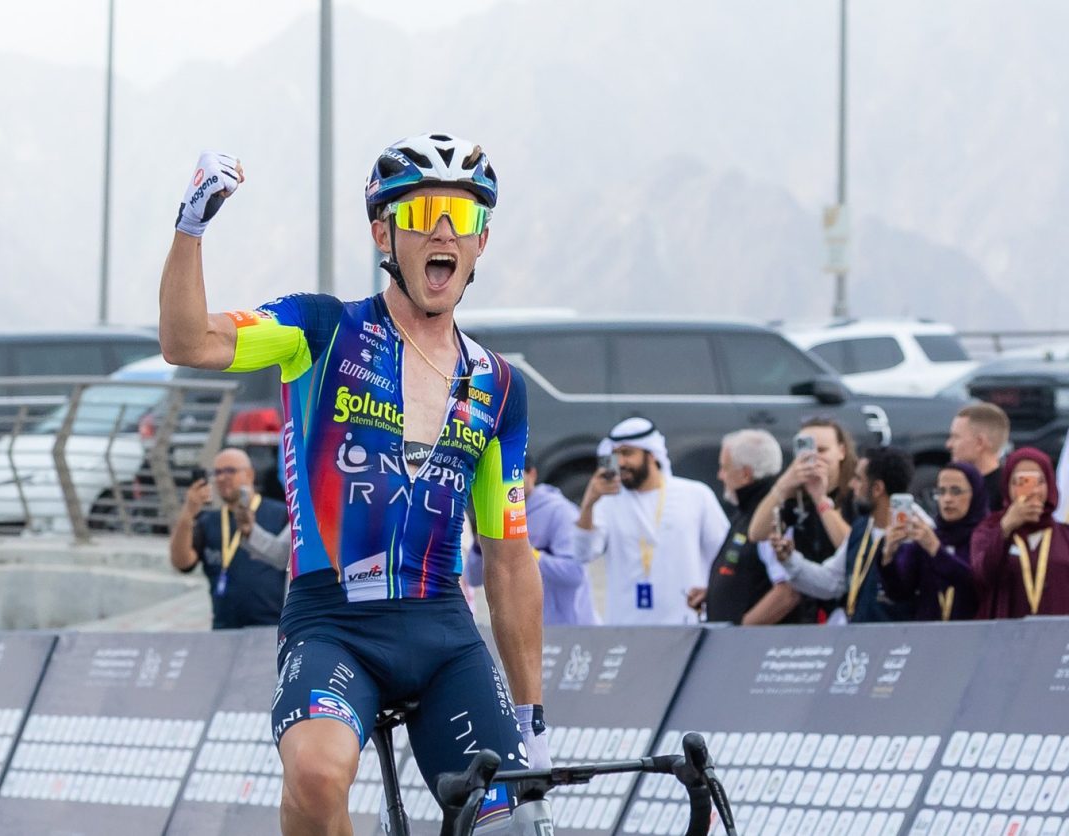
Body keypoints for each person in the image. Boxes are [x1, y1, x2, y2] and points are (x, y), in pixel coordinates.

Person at [159, 134, 545, 835]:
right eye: (422, 212)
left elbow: (510, 557)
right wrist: (192, 227)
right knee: (315, 776)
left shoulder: (498, 384)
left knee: (512, 821)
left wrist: (531, 718)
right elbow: (188, 342)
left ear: (481, 242)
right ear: (382, 234)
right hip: (333, 622)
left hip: (443, 630)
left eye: (462, 217)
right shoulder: (320, 328)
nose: (442, 231)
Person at [575, 417, 729, 626]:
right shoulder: (607, 502)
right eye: (615, 455)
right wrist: (588, 504)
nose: (620, 463)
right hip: (624, 627)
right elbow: (582, 553)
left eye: (627, 453)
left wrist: (712, 593)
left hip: (684, 623)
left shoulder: (696, 495)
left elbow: (723, 555)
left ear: (652, 454)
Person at [778, 446, 916, 624]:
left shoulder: (918, 532)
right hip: (858, 637)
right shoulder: (861, 528)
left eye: (858, 479)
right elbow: (831, 581)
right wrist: (789, 559)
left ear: (877, 488)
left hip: (901, 638)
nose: (852, 485)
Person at [465, 458, 600, 626]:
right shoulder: (495, 513)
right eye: (499, 478)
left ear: (532, 474)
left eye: (513, 476)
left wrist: (524, 551)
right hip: (521, 628)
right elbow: (473, 578)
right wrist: (480, 547)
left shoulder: (560, 512)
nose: (506, 484)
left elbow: (575, 574)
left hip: (568, 629)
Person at [747, 417, 857, 621]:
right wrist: (783, 486)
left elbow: (854, 550)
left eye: (822, 450)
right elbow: (756, 533)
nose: (815, 458)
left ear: (841, 451)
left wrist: (821, 500)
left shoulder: (855, 492)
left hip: (847, 608)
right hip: (809, 611)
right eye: (806, 450)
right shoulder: (797, 495)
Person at [169, 448, 291, 629]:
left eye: (230, 471)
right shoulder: (208, 520)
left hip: (272, 627)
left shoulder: (281, 514)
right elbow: (182, 563)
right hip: (224, 628)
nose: (222, 478)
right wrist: (188, 513)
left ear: (250, 474)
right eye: (217, 472)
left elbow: (285, 557)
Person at [689, 429, 799, 625]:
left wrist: (741, 631)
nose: (720, 475)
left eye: (724, 468)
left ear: (745, 474)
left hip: (755, 642)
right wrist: (713, 595)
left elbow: (787, 593)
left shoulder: (770, 515)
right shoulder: (745, 510)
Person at [970, 447, 1069, 617]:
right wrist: (1005, 528)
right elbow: (982, 576)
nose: (1033, 491)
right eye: (1021, 482)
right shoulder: (989, 529)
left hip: (1059, 631)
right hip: (1007, 630)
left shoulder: (1064, 533)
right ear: (1007, 486)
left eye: (1039, 481)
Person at [879, 461, 984, 621]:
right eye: (941, 492)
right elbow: (899, 593)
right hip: (929, 632)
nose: (947, 499)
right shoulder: (928, 536)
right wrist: (888, 557)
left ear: (975, 494)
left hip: (975, 631)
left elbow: (977, 585)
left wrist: (936, 550)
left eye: (956, 491)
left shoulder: (986, 536)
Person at [945, 402, 1010, 511]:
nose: (948, 445)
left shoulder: (1006, 494)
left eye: (956, 437)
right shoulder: (958, 485)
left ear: (980, 443)